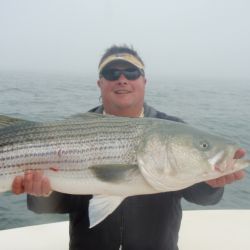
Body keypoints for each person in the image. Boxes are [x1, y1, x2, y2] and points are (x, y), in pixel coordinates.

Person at [12, 45, 246, 250]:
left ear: (144, 81)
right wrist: (41, 194)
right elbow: (60, 204)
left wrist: (211, 184)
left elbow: (202, 197)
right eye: (112, 73)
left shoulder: (174, 129)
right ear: (100, 83)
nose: (122, 79)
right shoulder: (73, 127)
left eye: (132, 72)